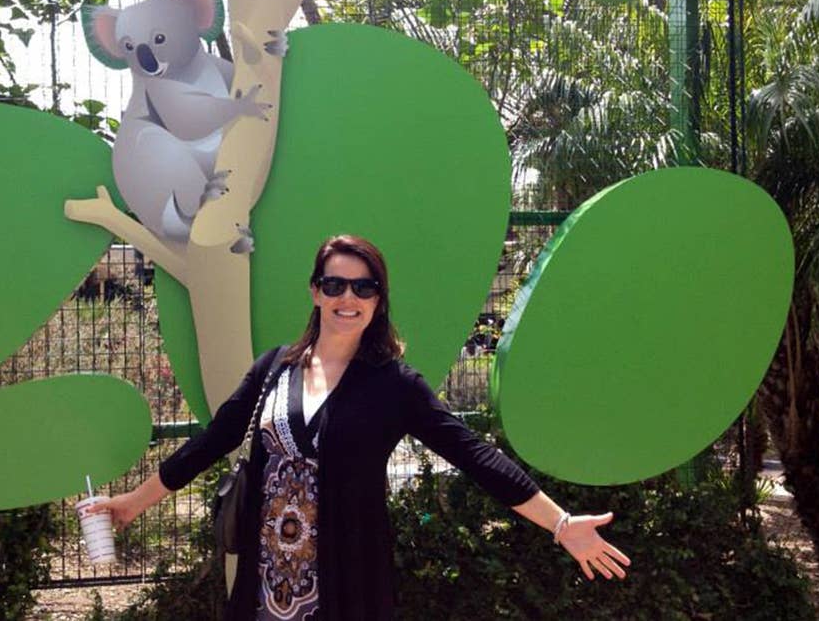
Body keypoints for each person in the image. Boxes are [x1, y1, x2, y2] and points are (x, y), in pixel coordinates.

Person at [86, 234, 630, 620]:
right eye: (335, 285)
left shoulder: (394, 384)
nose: (348, 298)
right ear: (316, 291)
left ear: (378, 300)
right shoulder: (276, 367)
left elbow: (474, 455)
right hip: (263, 576)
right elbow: (215, 440)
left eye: (363, 288)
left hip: (346, 581)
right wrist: (135, 501)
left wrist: (560, 524)